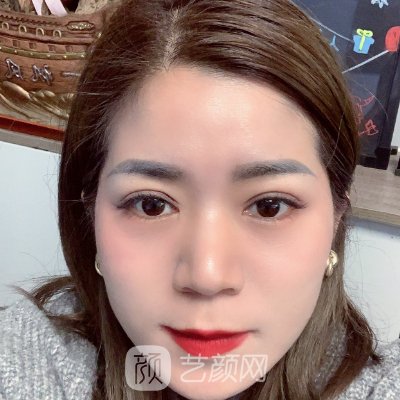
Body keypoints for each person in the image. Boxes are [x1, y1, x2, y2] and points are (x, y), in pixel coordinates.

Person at [1, 0, 399, 399]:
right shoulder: (26, 358)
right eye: (151, 205)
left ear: (337, 213)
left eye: (269, 206)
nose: (207, 276)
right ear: (90, 212)